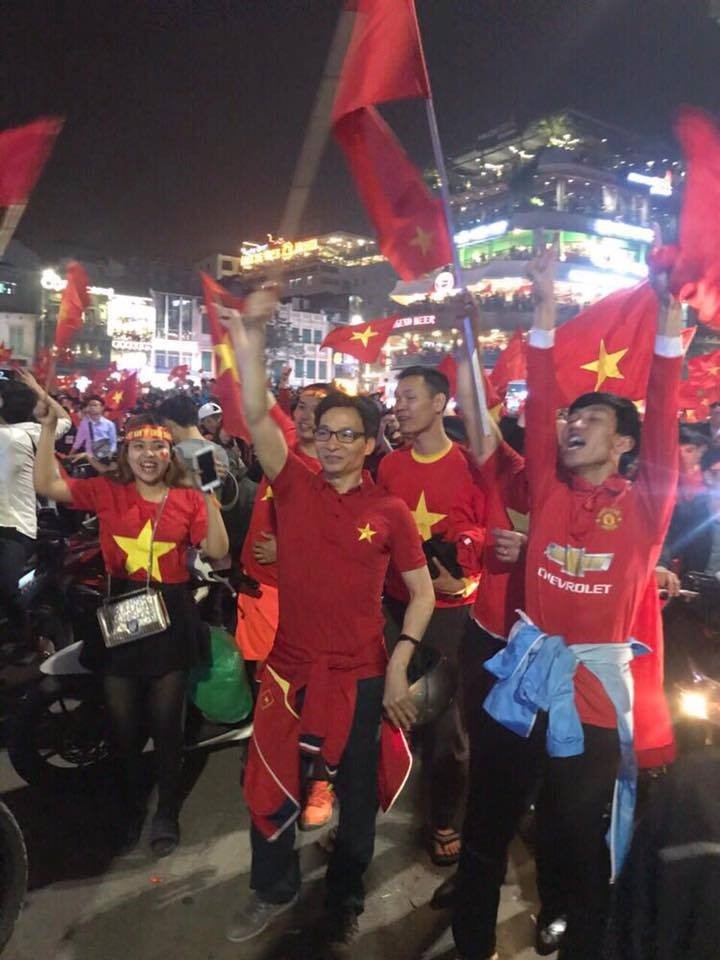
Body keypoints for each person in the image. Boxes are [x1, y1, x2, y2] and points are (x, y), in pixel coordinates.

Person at [452, 247, 683, 960]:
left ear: (622, 445)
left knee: (577, 845)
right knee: (485, 830)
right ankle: (468, 946)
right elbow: (543, 395)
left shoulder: (646, 507)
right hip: (520, 683)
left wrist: (673, 324)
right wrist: (544, 308)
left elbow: (668, 415)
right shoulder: (548, 490)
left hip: (590, 698)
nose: (573, 423)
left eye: (593, 419)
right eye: (570, 416)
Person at [221, 289, 434, 956]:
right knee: (268, 781)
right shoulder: (293, 482)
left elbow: (422, 594)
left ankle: (345, 894)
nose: (333, 443)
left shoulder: (392, 511)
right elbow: (256, 413)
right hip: (288, 670)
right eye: (324, 432)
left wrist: (399, 662)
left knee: (356, 791)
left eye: (349, 434)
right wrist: (251, 337)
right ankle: (273, 886)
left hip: (363, 673)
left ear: (371, 443)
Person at [33, 404, 229, 857]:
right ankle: (130, 806)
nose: (148, 454)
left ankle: (166, 812)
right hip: (122, 611)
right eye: (139, 446)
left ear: (170, 453)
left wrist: (209, 495)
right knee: (122, 725)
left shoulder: (187, 497)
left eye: (158, 446)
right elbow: (47, 484)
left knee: (166, 725)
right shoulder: (107, 490)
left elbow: (218, 551)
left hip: (171, 613)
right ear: (126, 451)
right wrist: (47, 430)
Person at [377, 365, 486, 867]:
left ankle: (445, 818)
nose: (399, 405)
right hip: (394, 605)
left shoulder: (471, 466)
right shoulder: (389, 467)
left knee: (445, 724)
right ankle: (368, 804)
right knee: (386, 710)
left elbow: (490, 532)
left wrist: (466, 575)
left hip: (451, 612)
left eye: (411, 397)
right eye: (397, 397)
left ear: (440, 403)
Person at [236, 381, 332, 829]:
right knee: (267, 695)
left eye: (321, 408)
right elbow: (252, 400)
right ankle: (270, 768)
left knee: (314, 699)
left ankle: (320, 778)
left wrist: (289, 549)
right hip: (259, 597)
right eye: (303, 406)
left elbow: (350, 542)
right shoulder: (284, 447)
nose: (309, 414)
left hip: (307, 604)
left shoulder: (338, 468)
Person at [0, 371, 71, 642]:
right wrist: (39, 389)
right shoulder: (32, 432)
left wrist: (37, 390)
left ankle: (29, 637)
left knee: (9, 589)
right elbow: (64, 418)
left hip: (13, 528)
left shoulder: (24, 434)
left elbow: (63, 421)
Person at [70, 395, 117, 472]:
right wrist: (70, 455)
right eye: (90, 405)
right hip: (88, 459)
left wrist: (110, 455)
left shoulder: (109, 424)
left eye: (95, 405)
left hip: (104, 458)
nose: (92, 408)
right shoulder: (84, 424)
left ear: (102, 408)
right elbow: (78, 442)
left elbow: (113, 442)